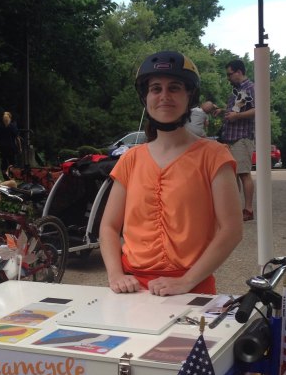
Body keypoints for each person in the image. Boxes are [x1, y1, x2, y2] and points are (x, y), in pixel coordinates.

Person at [99, 51, 243, 296]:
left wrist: (186, 281)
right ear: (146, 97)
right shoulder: (131, 159)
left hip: (191, 288)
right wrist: (115, 275)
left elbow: (232, 229)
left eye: (174, 88)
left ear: (190, 96)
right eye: (156, 89)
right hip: (131, 289)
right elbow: (109, 227)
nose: (164, 96)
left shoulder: (214, 155)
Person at [220, 59, 256, 222]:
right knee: (233, 175)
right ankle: (235, 208)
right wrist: (221, 111)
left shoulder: (251, 88)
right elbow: (233, 111)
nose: (228, 78)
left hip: (243, 137)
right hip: (230, 137)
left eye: (230, 74)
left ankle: (248, 209)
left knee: (243, 174)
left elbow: (259, 109)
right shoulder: (236, 91)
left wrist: (237, 116)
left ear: (239, 72)